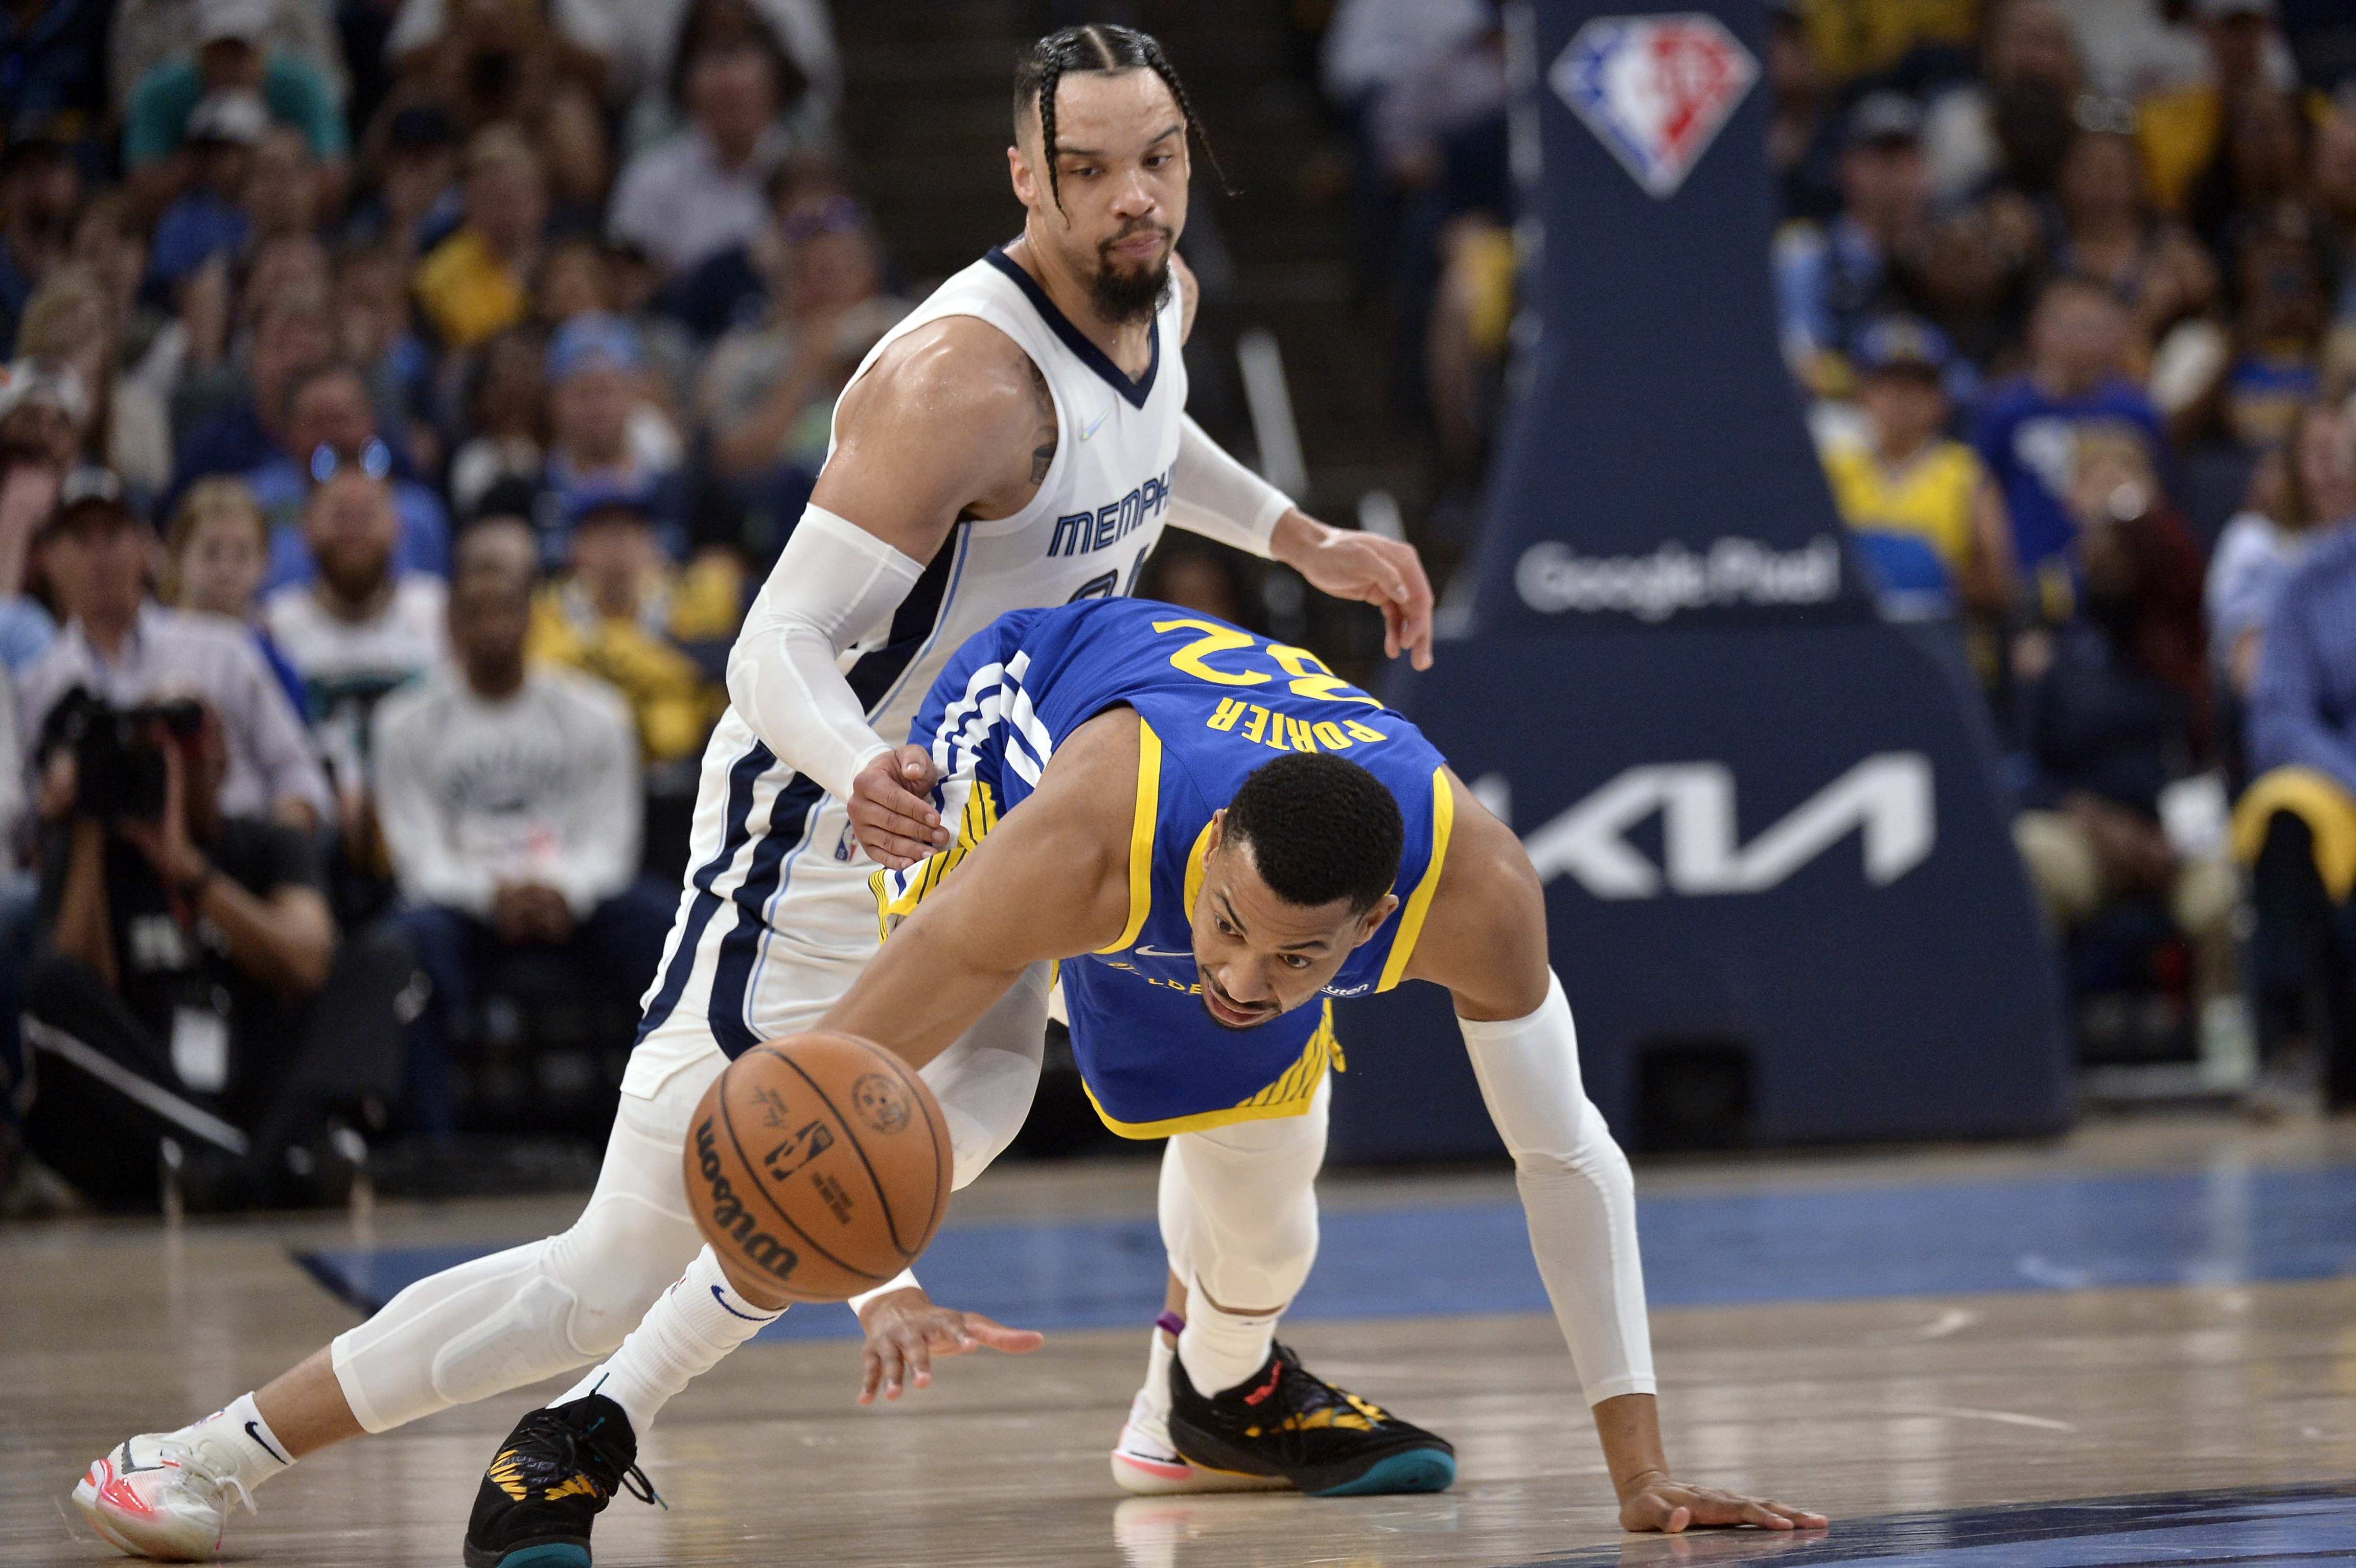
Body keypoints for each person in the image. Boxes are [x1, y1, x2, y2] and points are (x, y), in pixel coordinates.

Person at [67, 26, 1440, 1561]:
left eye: (1159, 157)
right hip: (828, 826)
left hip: (1004, 802)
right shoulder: (953, 382)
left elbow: (1140, 446)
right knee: (611, 1261)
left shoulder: (1161, 296)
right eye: (1090, 169)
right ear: (1021, 179)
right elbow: (768, 645)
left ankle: (1204, 1388)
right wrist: (863, 767)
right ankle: (205, 1454)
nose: (1134, 196)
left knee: (1213, 1068)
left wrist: (1298, 533)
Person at [459, 596, 1832, 1562]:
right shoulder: (1086, 846)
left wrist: (1639, 1475)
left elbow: (1567, 1154)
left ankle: (1206, 1399)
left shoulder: (1477, 892)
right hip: (1028, 729)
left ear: (1369, 930)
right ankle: (584, 1424)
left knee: (1273, 1204)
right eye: (1226, 928)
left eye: (1297, 958)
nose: (1237, 975)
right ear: (1215, 849)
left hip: (1219, 788)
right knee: (944, 1122)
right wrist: (872, 1265)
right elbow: (818, 1094)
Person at [370, 521, 671, 1138]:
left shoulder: (596, 712)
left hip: (573, 902)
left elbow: (611, 841)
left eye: (505, 609)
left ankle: (660, 1132)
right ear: (450, 623)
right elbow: (417, 855)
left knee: (670, 928)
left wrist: (559, 889)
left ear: (531, 618)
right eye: (474, 612)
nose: (491, 627)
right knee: (402, 945)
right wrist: (494, 896)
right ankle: (433, 1146)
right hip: (462, 912)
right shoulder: (403, 722)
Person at [16, 688, 339, 1213]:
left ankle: (235, 1165)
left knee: (381, 957)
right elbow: (76, 992)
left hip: (251, 1086)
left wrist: (191, 871)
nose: (177, 768)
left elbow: (308, 963)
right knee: (52, 982)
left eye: (191, 745)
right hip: (140, 1120)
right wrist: (91, 830)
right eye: (155, 752)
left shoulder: (267, 844)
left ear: (225, 758)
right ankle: (256, 1166)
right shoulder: (94, 851)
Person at [19, 468, 332, 830]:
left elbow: (300, 775)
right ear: (51, 560)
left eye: (113, 535)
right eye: (81, 538)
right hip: (104, 861)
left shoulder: (224, 648)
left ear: (145, 547)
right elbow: (24, 822)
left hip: (234, 843)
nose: (100, 556)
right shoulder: (37, 686)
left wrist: (274, 846)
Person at [2234, 485, 2356, 1112]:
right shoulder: (2309, 579)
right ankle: (2293, 1049)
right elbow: (2279, 717)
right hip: (2341, 788)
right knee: (2281, 807)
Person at [261, 468, 448, 814]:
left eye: (367, 515)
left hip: (430, 803)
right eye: (340, 515)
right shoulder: (274, 627)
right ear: (306, 528)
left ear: (397, 528)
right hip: (318, 817)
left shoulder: (441, 613)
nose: (354, 529)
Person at [527, 482, 738, 767]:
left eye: (630, 533)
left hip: (675, 769)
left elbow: (715, 672)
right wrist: (657, 662)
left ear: (652, 546)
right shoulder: (548, 608)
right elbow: (543, 672)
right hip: (573, 758)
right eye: (600, 535)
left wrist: (603, 657)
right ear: (575, 549)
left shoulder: (685, 603)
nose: (617, 548)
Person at [1973, 273, 2167, 579]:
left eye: (2094, 327)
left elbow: (2156, 496)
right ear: (2038, 330)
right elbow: (1984, 490)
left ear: (2117, 333)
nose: (2081, 340)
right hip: (2028, 575)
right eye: (2069, 327)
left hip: (2120, 583)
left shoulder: (2137, 411)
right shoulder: (2004, 409)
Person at [1818, 316, 2014, 617]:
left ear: (1941, 400)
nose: (1901, 400)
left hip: (1941, 633)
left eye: (1917, 388)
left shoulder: (1968, 474)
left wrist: (1931, 575)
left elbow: (2000, 585)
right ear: (1864, 396)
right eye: (1887, 386)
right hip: (1852, 629)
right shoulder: (1833, 470)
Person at [121, 0, 348, 225]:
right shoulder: (160, 94)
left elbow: (333, 179)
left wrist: (273, 180)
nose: (232, 64)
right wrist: (203, 165)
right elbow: (141, 188)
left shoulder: (303, 86)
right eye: (219, 51)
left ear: (264, 46)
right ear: (199, 50)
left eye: (242, 50)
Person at [1773, 91, 1934, 398]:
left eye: (1907, 159)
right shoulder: (1809, 252)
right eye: (1882, 160)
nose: (1896, 175)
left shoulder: (1947, 257)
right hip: (1836, 418)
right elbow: (1800, 359)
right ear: (1847, 169)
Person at [243, 361, 451, 591]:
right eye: (318, 422)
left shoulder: (418, 512)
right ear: (290, 430)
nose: (333, 436)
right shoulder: (254, 503)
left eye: (344, 419)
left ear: (371, 422)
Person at [607, 41, 791, 277]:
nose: (734, 114)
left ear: (771, 101)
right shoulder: (651, 178)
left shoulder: (798, 169)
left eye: (743, 100)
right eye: (722, 102)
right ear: (695, 104)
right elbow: (626, 273)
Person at [163, 475, 305, 716]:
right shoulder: (152, 642)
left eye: (242, 554)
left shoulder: (274, 659)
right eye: (211, 552)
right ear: (178, 555)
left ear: (265, 562)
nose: (226, 570)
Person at [412, 127, 550, 353]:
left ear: (541, 201)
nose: (503, 212)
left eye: (512, 198)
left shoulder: (563, 270)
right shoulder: (438, 274)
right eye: (490, 198)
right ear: (468, 202)